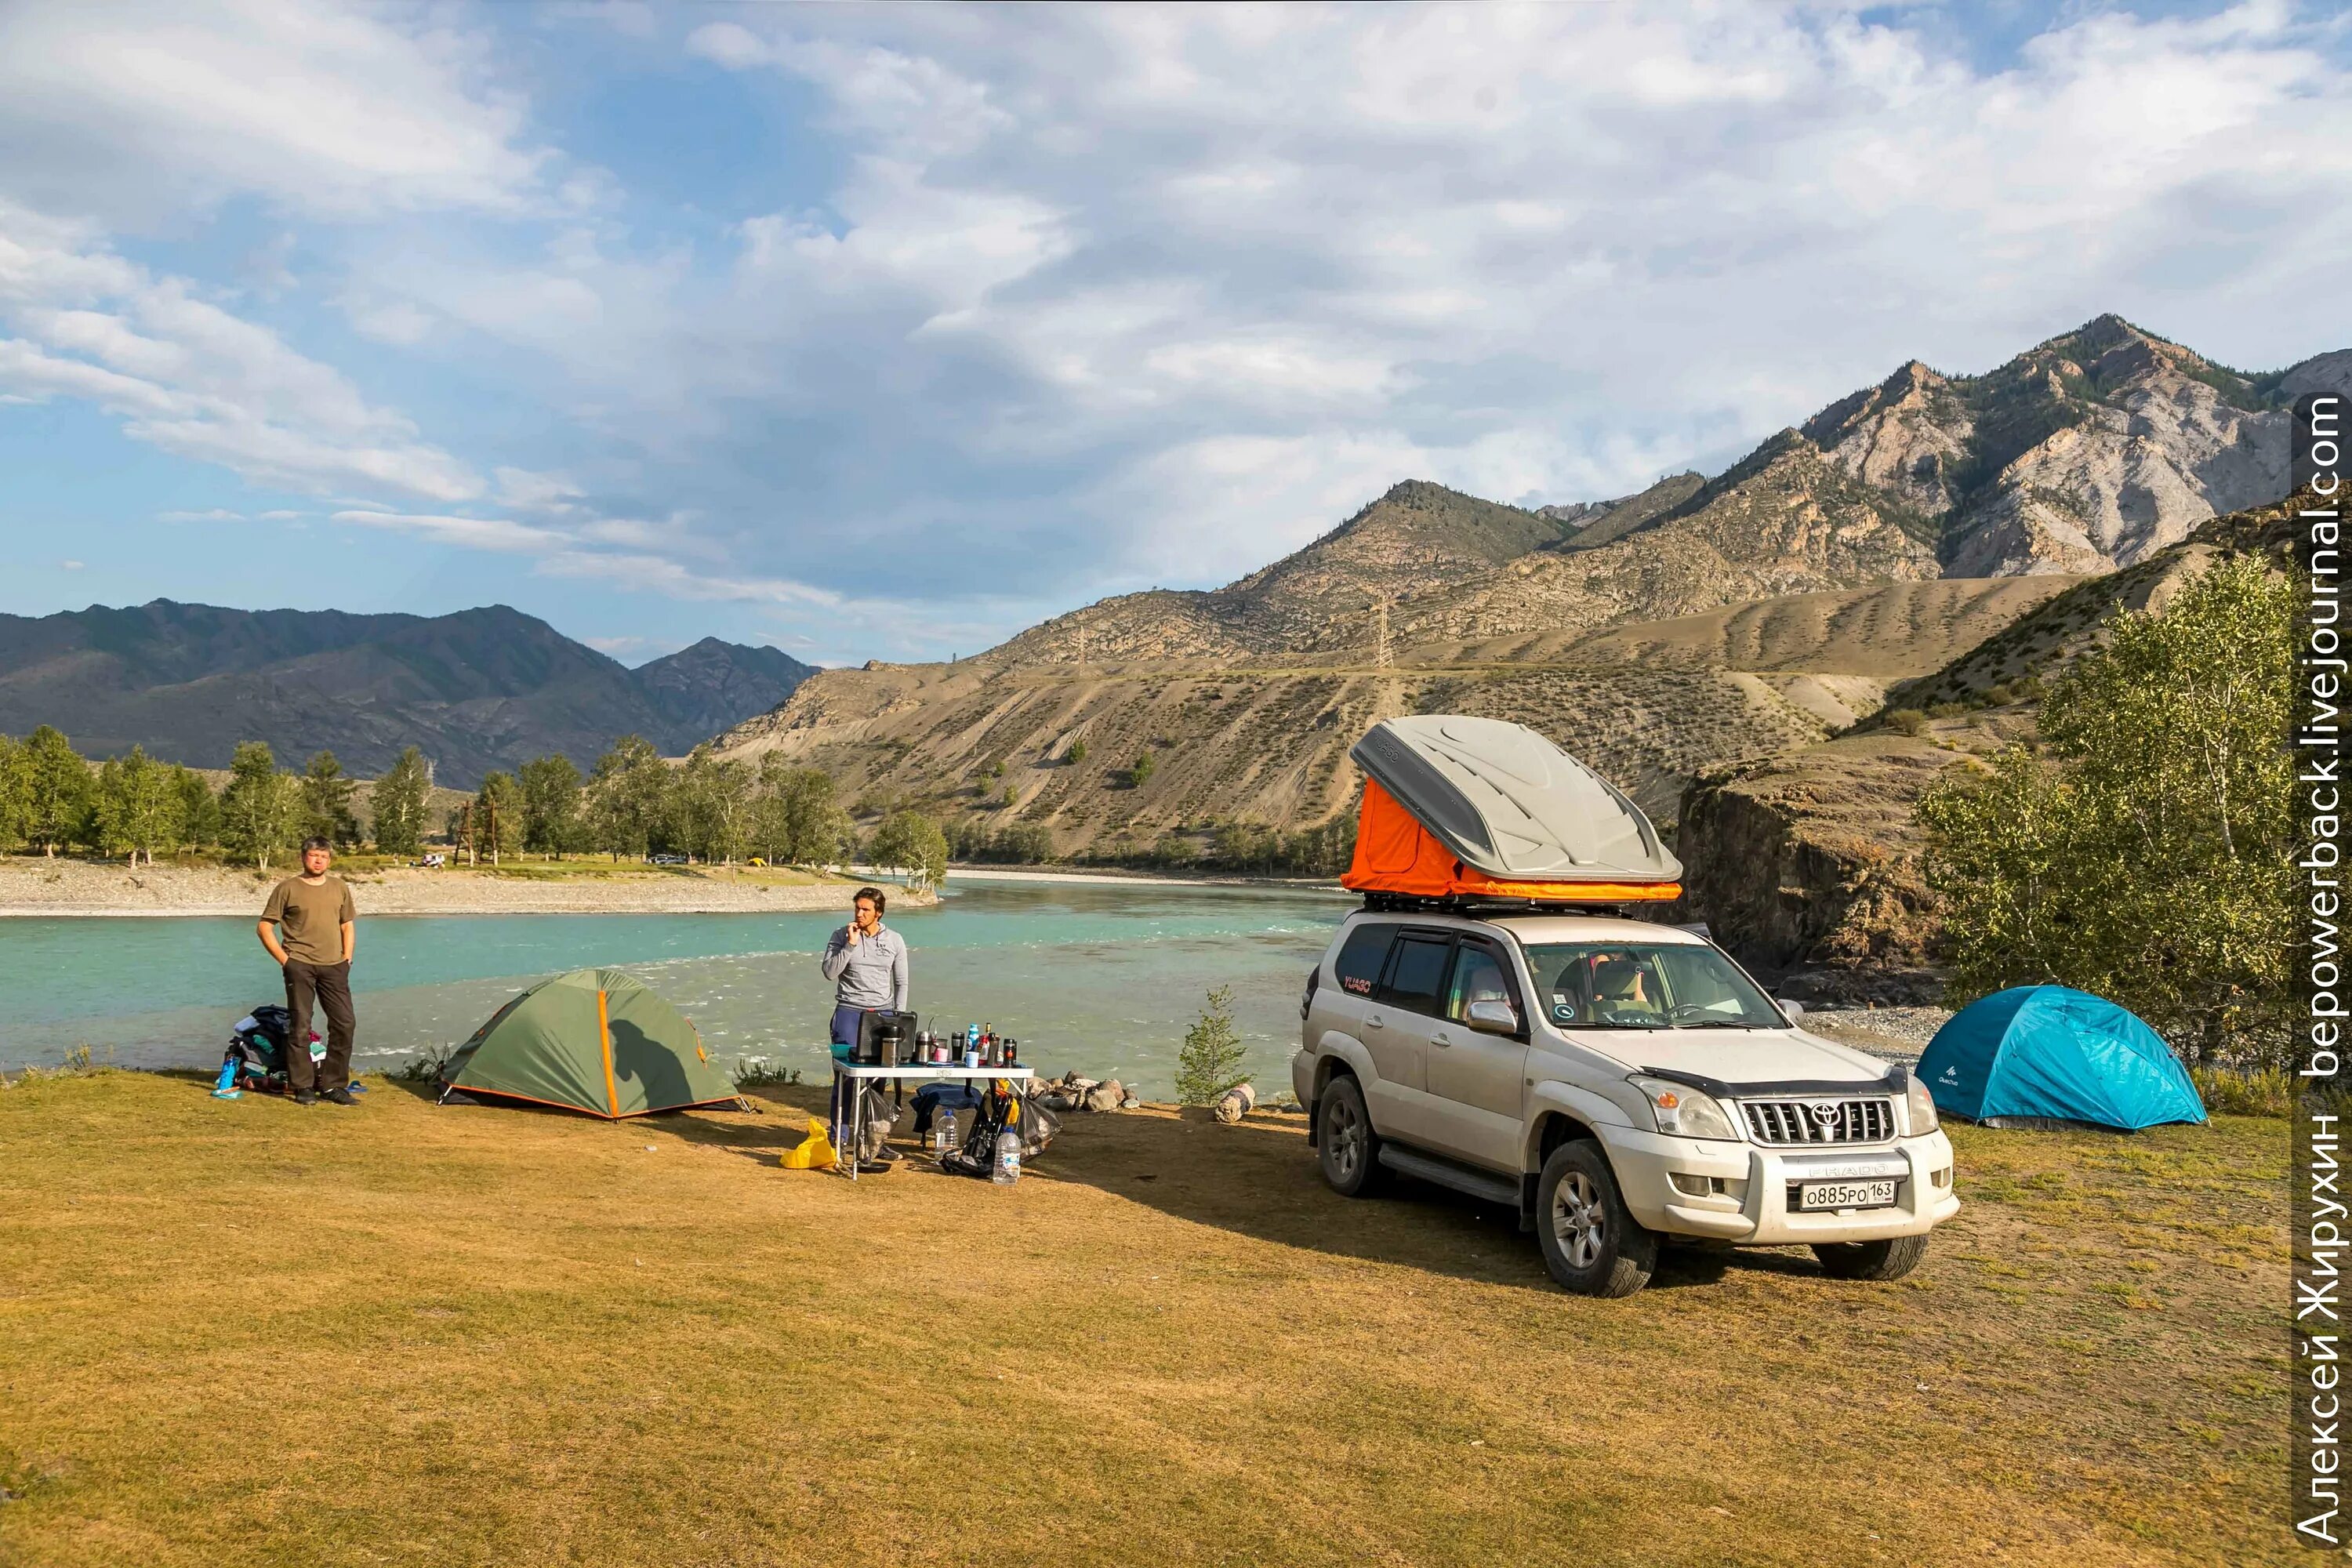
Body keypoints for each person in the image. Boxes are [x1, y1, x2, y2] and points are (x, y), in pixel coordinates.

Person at [257, 837, 358, 1105]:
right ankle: (302, 1086)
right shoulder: (287, 888)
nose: (318, 861)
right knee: (301, 1026)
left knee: (344, 1024)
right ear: (303, 857)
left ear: (329, 860)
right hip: (300, 965)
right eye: (314, 856)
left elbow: (347, 924)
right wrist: (285, 960)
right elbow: (264, 927)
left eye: (324, 857)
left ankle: (333, 1086)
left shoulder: (339, 887)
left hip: (335, 966)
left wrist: (347, 958)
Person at [818, 886, 909, 1152]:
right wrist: (850, 945)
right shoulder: (840, 936)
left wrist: (898, 1019)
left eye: (865, 909)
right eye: (857, 908)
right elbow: (829, 972)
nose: (859, 913)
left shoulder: (895, 940)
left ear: (878, 913)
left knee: (877, 1080)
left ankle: (872, 1139)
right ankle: (840, 1137)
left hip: (881, 1016)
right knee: (846, 1078)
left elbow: (902, 982)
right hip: (848, 1012)